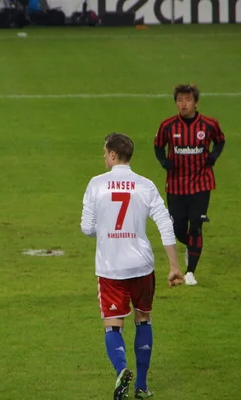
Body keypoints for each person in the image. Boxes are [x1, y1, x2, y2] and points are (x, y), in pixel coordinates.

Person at [80, 132, 184, 400]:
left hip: (111, 267)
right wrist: (174, 265)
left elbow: (87, 228)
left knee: (113, 326)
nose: (104, 156)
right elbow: (164, 223)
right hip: (142, 265)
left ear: (113, 155)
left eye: (105, 152)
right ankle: (141, 385)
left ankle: (121, 368)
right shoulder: (145, 185)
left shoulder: (96, 184)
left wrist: (105, 231)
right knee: (143, 319)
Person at [154, 83, 226, 286]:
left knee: (196, 224)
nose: (183, 104)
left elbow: (220, 141)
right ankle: (192, 247)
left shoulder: (209, 124)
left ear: (196, 102)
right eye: (179, 100)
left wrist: (213, 157)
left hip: (201, 183)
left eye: (187, 100)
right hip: (176, 185)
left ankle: (190, 272)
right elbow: (158, 146)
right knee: (177, 229)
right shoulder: (167, 126)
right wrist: (164, 162)